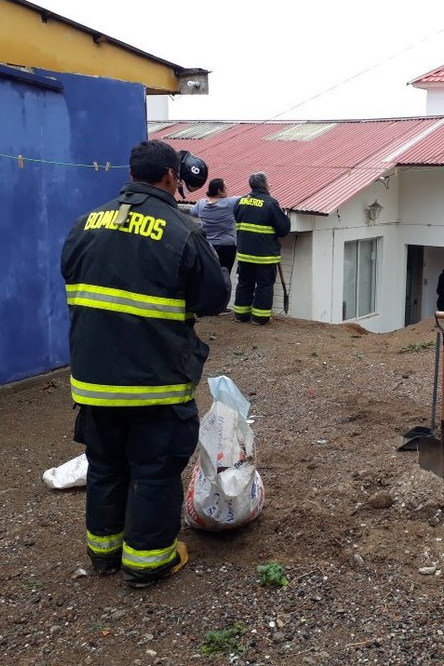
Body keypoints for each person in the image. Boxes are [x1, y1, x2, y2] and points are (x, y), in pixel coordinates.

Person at [60, 140, 230, 587]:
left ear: (131, 172)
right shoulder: (182, 230)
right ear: (172, 177)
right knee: (154, 468)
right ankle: (148, 562)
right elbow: (214, 298)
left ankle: (104, 554)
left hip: (94, 381)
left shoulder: (84, 225)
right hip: (155, 381)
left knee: (107, 466)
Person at [233, 172, 291, 325]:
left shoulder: (240, 202)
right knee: (264, 285)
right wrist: (283, 215)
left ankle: (240, 314)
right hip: (265, 255)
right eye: (269, 182)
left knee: (244, 282)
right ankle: (259, 318)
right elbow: (283, 229)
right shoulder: (270, 203)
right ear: (264, 185)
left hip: (244, 253)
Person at [191, 178, 241, 272]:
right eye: (226, 188)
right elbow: (247, 197)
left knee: (211, 274)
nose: (228, 190)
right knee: (225, 274)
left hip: (208, 246)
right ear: (219, 191)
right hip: (227, 245)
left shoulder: (201, 204)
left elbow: (193, 212)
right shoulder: (229, 203)